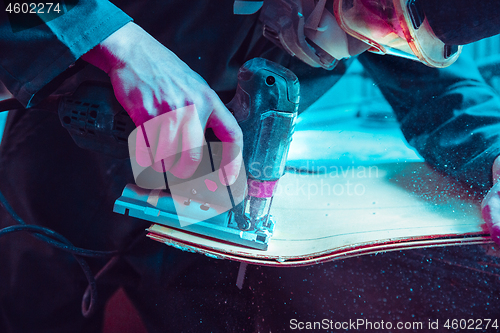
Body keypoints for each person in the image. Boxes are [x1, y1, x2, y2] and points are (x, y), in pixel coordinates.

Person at [1, 1, 500, 332]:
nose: (370, 39)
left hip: (210, 181)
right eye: (372, 12)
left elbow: (450, 94)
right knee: (31, 310)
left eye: (398, 37)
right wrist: (118, 43)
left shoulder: (402, 13)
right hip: (72, 157)